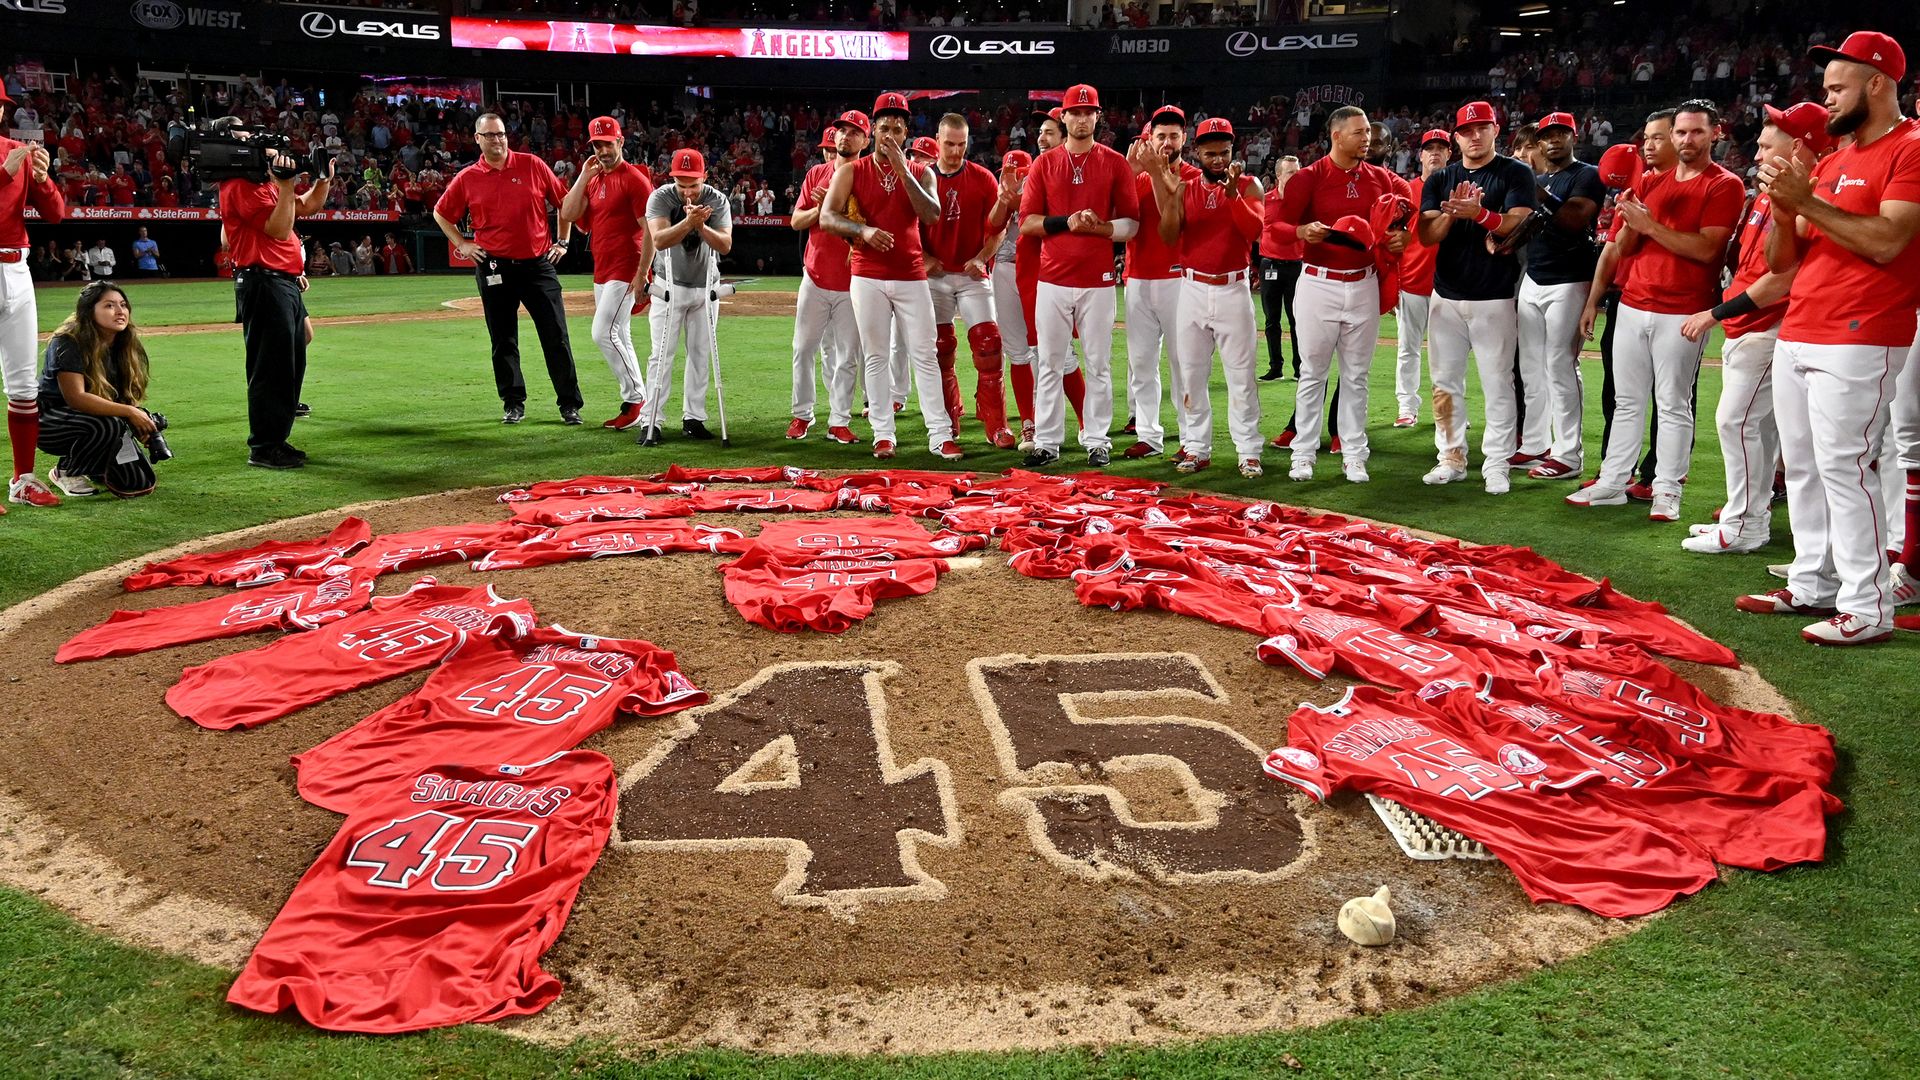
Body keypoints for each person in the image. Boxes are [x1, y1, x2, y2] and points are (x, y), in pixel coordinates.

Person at [1740, 31, 1920, 644]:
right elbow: (1784, 261)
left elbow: (1887, 241)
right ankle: (1813, 581)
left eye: (1838, 87)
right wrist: (1784, 205)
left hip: (1862, 331)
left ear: (1878, 83)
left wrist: (1805, 203)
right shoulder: (1834, 159)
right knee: (1808, 467)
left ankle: (1868, 609)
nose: (1829, 99)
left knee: (1847, 467)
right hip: (1801, 326)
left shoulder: (1911, 148)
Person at [1567, 99, 1742, 521]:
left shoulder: (1724, 184)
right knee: (1627, 400)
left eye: (1697, 131)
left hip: (1684, 310)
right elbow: (1622, 245)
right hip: (1632, 303)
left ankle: (1667, 490)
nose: (1687, 139)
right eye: (1681, 132)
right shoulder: (1648, 182)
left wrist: (1650, 227)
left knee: (1673, 403)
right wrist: (1629, 222)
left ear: (1715, 133)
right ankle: (1613, 481)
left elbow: (1707, 250)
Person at [1678, 103, 1827, 555]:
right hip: (1749, 323)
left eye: (1766, 146)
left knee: (1736, 422)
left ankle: (1746, 524)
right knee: (1755, 428)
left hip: (1769, 322)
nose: (1757, 155)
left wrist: (1715, 313)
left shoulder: (1808, 191)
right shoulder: (1767, 192)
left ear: (1798, 146)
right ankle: (1747, 515)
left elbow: (1783, 276)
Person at [820, 92, 959, 461]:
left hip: (912, 273)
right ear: (874, 130)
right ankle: (883, 433)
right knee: (877, 356)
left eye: (897, 129)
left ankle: (939, 434)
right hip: (867, 273)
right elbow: (827, 217)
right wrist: (862, 232)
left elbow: (930, 215)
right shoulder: (851, 170)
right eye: (884, 128)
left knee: (925, 355)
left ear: (906, 133)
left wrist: (902, 170)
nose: (890, 135)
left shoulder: (921, 171)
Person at [1271, 106, 1404, 483]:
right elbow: (1276, 225)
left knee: (1356, 376)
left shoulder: (1382, 178)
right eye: (1359, 132)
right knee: (1312, 374)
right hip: (1318, 282)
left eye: (1368, 133)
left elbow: (1402, 222)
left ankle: (1353, 454)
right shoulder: (1309, 178)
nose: (1368, 139)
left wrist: (1399, 236)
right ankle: (1303, 453)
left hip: (1363, 281)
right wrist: (1300, 233)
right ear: (1337, 135)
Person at [1418, 101, 1540, 494]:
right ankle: (1450, 457)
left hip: (1495, 295)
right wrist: (1454, 213)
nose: (1474, 135)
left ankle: (1497, 463)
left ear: (1494, 131)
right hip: (1447, 295)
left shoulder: (1515, 171)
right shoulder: (1440, 179)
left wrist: (1481, 214)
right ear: (1456, 137)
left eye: (1481, 128)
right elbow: (1426, 235)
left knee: (1498, 383)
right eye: (1467, 130)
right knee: (1444, 382)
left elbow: (1520, 223)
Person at [1016, 84, 1140, 468]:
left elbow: (1132, 224)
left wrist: (1101, 228)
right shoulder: (1045, 163)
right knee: (1051, 362)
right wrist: (1067, 222)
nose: (1082, 118)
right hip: (1052, 278)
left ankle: (1097, 439)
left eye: (1089, 113)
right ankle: (1047, 442)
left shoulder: (1114, 162)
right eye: (1075, 112)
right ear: (1063, 117)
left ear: (1097, 117)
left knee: (1099, 363)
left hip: (1098, 280)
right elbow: (1027, 223)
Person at [433, 112, 582, 426]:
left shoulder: (532, 164)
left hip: (538, 264)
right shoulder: (467, 177)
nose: (497, 140)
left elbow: (565, 203)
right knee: (503, 339)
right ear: (477, 139)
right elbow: (441, 213)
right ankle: (513, 403)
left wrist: (564, 241)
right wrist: (463, 243)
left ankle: (569, 404)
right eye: (489, 135)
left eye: (500, 134)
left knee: (556, 335)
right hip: (494, 265)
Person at [1144, 117, 1265, 477]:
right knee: (1191, 375)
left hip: (1233, 288)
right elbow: (1168, 236)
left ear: (1233, 151)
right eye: (1210, 153)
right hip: (1193, 288)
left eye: (1224, 153)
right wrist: (1165, 190)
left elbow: (1254, 231)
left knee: (1241, 376)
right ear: (1197, 152)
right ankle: (1197, 447)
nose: (1217, 160)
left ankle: (1248, 451)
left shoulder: (1249, 185)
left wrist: (1232, 197)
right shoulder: (1186, 188)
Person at [220, 143, 332, 470]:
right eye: (269, 156)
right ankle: (264, 447)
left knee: (289, 364)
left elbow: (306, 206)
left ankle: (276, 440)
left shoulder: (263, 185)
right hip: (264, 282)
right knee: (271, 368)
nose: (276, 161)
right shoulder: (240, 185)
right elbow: (280, 228)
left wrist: (322, 179)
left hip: (282, 282)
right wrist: (285, 185)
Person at [1516, 113, 1606, 480]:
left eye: (1560, 134)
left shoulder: (1587, 174)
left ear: (1574, 136)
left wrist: (1535, 191)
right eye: (1546, 136)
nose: (1553, 141)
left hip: (1570, 279)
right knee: (1531, 367)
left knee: (1560, 363)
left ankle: (1569, 454)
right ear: (1537, 144)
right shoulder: (1536, 178)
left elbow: (1573, 220)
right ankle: (1536, 444)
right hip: (1534, 277)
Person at [924, 112, 1017, 447]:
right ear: (937, 140)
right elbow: (905, 227)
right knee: (939, 349)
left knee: (990, 344)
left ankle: (996, 423)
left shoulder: (981, 178)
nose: (955, 151)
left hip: (971, 272)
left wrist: (982, 257)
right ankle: (948, 419)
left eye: (961, 144)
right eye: (949, 144)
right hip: (934, 275)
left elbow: (998, 229)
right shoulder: (921, 178)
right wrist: (922, 258)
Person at [559, 114, 655, 432]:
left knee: (602, 333)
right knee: (620, 335)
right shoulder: (595, 178)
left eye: (607, 143)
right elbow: (568, 214)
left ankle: (636, 400)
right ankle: (636, 403)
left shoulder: (634, 179)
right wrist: (583, 177)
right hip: (602, 268)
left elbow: (651, 232)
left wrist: (642, 274)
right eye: (597, 144)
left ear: (620, 142)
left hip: (626, 267)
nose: (602, 150)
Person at [636, 148, 732, 446]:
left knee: (700, 355)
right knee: (660, 356)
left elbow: (726, 245)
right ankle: (651, 420)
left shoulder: (717, 200)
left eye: (693, 184)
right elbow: (660, 238)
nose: (688, 192)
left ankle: (694, 418)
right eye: (682, 184)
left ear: (705, 176)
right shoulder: (661, 198)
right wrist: (689, 223)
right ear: (672, 178)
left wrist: (701, 225)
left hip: (705, 287)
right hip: (669, 286)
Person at [1121, 106, 1199, 461]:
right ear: (1148, 139)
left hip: (1178, 277)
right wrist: (1129, 171)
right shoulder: (1134, 175)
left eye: (1173, 135)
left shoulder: (1195, 177)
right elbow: (1111, 212)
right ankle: (1149, 435)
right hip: (1138, 276)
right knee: (1141, 362)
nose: (1167, 142)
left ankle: (1189, 438)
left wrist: (1152, 173)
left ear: (1185, 138)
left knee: (1183, 364)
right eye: (1160, 136)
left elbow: (1174, 223)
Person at [1, 85, 66, 510]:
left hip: (16, 269)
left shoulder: (16, 150)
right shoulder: (9, 158)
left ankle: (23, 479)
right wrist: (4, 173)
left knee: (24, 385)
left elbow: (56, 214)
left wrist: (41, 180)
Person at [35, 281, 160, 498]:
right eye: (109, 306)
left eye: (123, 305)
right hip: (49, 422)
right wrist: (129, 413)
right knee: (108, 424)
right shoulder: (68, 341)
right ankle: (66, 470)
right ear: (89, 311)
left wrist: (142, 421)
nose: (120, 311)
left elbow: (124, 397)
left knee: (136, 481)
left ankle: (96, 464)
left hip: (92, 419)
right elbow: (76, 398)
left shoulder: (124, 342)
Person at [787, 113, 867, 445]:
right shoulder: (817, 174)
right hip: (816, 276)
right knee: (803, 348)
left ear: (865, 140)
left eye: (853, 132)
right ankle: (802, 414)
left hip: (854, 280)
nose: (844, 137)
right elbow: (796, 221)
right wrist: (821, 210)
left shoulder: (870, 177)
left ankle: (839, 420)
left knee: (847, 355)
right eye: (841, 131)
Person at [1393, 130, 1449, 427]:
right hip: (1412, 281)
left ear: (1450, 154)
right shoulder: (1407, 190)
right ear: (1421, 155)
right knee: (1408, 349)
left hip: (1450, 285)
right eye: (1430, 148)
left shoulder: (1459, 189)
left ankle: (1448, 411)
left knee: (1448, 355)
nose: (1435, 153)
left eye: (1441, 148)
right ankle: (1407, 407)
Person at [1258, 154, 1304, 382]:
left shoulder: (1305, 202)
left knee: (1297, 320)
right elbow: (1259, 231)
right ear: (1278, 175)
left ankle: (1299, 368)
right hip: (1271, 265)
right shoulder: (1265, 200)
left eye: (1298, 173)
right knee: (1271, 319)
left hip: (1297, 266)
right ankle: (1275, 367)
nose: (1296, 177)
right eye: (1290, 173)